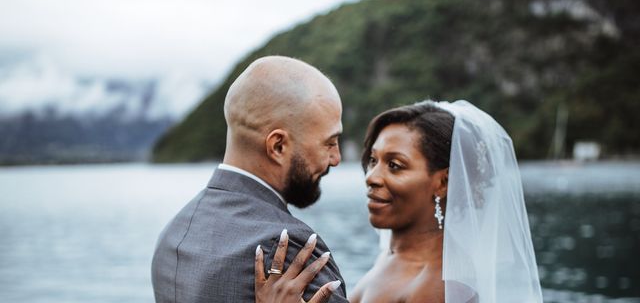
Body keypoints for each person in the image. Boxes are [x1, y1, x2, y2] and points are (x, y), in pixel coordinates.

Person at [255, 100, 543, 303]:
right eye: (373, 160)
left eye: (395, 165)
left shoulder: (440, 290)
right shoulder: (392, 259)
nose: (372, 177)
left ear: (442, 182)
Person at [151, 56, 348, 302]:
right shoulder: (287, 249)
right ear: (278, 146)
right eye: (329, 142)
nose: (336, 158)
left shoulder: (173, 234)